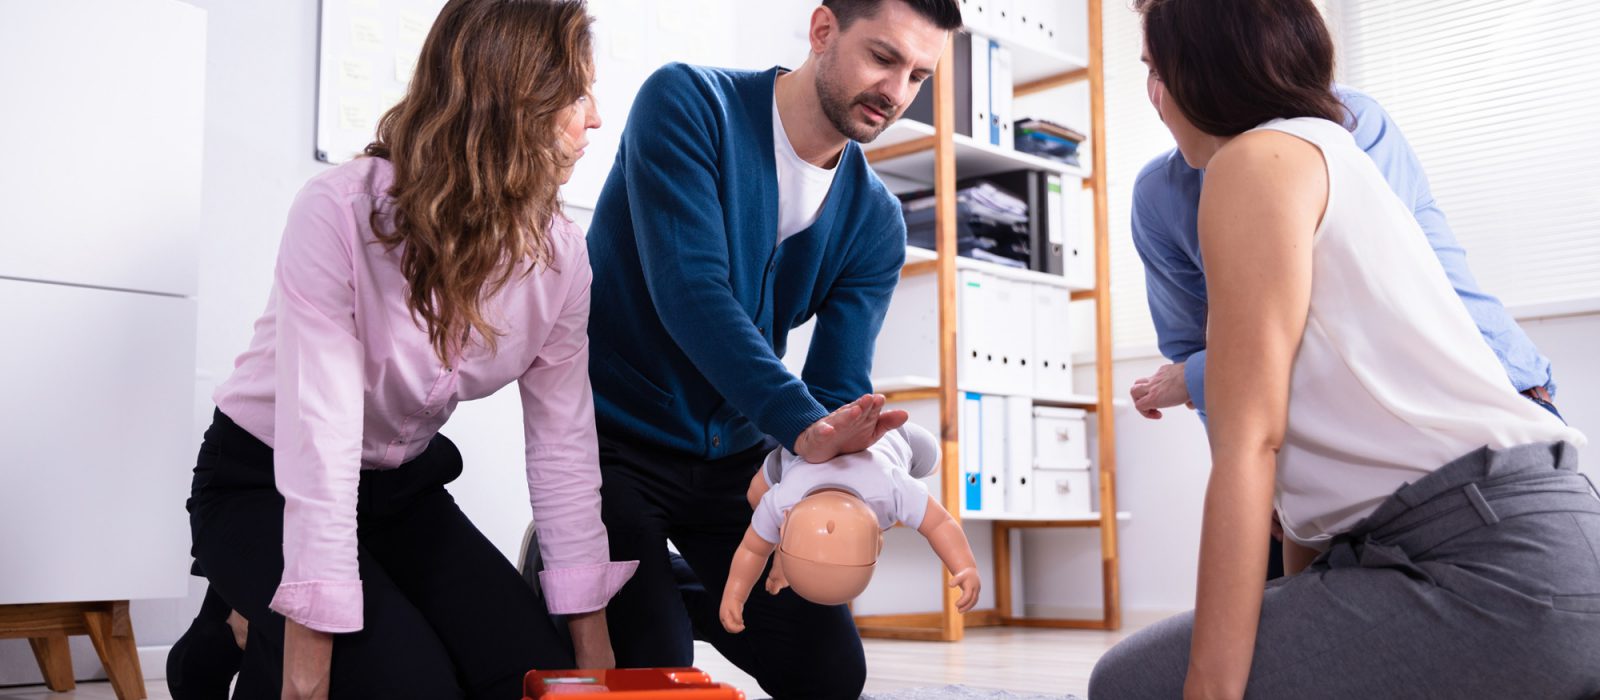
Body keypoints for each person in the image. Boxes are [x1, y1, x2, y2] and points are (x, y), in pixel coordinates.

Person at [1089, 0, 1597, 697]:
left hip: (1491, 564)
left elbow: (1249, 445)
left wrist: (1208, 691)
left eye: (1155, 68)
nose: (1153, 97)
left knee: (1127, 683)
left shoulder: (1251, 164)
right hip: (1553, 539)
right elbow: (1308, 495)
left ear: (1201, 66)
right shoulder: (1330, 149)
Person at [168, 2, 635, 698]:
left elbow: (563, 445)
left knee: (531, 678)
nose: (595, 118)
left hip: (396, 494)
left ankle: (254, 613)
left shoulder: (561, 259)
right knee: (409, 686)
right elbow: (320, 442)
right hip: (264, 480)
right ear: (511, 99)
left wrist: (595, 671)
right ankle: (235, 630)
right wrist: (307, 672)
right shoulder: (339, 212)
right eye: (576, 95)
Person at [582, 0, 961, 696]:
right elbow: (691, 293)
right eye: (883, 57)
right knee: (657, 673)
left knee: (830, 674)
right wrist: (809, 428)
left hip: (738, 460)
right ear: (823, 30)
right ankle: (573, 567)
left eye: (917, 75)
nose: (896, 92)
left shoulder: (875, 220)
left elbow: (837, 379)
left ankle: (671, 591)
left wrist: (841, 460)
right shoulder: (688, 102)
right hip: (613, 445)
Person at [718, 422, 980, 632]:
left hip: (883, 435)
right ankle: (779, 552)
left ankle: (778, 550)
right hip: (816, 440)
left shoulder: (893, 486)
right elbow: (753, 549)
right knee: (755, 494)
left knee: (933, 457)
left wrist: (966, 566)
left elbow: (940, 523)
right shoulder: (783, 498)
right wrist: (734, 596)